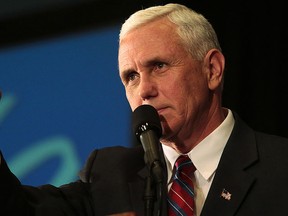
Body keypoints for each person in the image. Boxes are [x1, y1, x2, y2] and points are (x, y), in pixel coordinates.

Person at [1, 3, 288, 216]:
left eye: (159, 66)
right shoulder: (111, 174)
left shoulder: (280, 166)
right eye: (131, 77)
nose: (143, 90)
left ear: (212, 69)